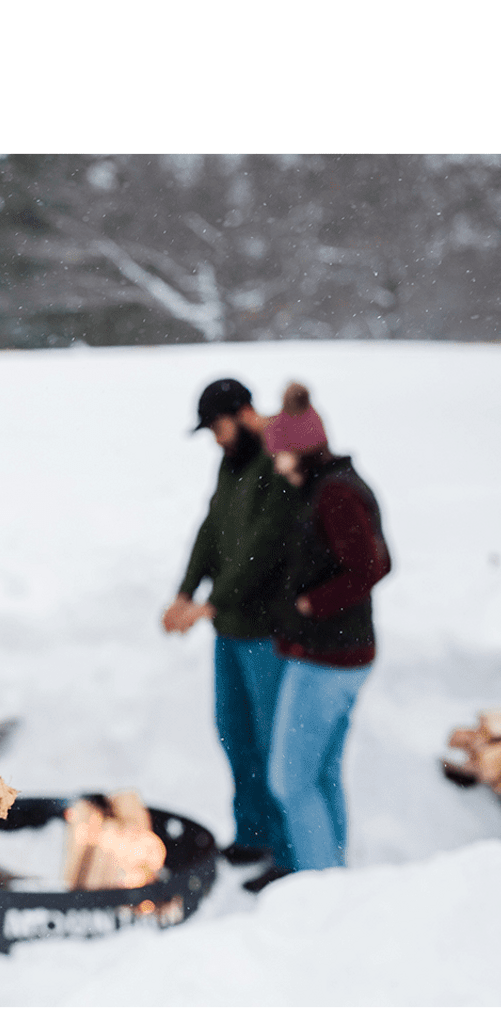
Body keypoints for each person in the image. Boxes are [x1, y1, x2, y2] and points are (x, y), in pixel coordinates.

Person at [245, 383, 391, 893]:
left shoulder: (335, 494)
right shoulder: (335, 486)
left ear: (301, 450)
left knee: (290, 779)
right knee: (320, 773)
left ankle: (319, 894)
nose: (277, 464)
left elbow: (370, 566)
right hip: (340, 654)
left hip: (327, 658)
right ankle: (333, 879)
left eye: (280, 453)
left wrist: (311, 604)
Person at [161, 378, 297, 871]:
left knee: (272, 741)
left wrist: (210, 603)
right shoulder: (232, 461)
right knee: (234, 732)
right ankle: (253, 834)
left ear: (242, 413)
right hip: (229, 631)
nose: (216, 439)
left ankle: (287, 853)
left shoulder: (276, 458)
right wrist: (185, 590)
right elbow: (212, 526)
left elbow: (267, 545)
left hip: (266, 631)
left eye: (218, 427)